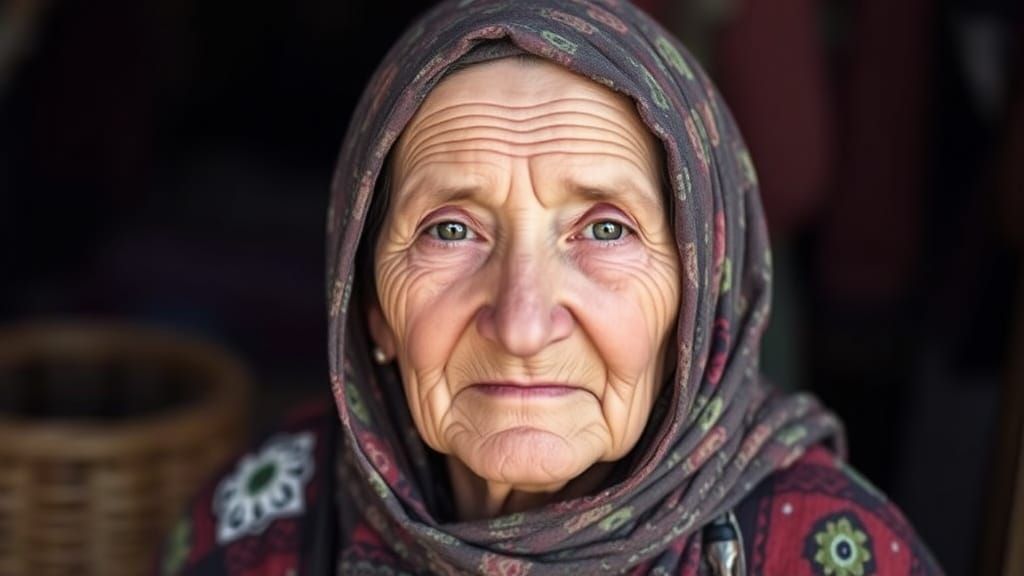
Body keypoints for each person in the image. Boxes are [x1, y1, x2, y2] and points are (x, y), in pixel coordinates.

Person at [159, 1, 943, 574]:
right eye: (451, 229)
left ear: (698, 307)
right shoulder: (261, 525)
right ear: (370, 307)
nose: (523, 323)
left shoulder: (830, 549)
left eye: (605, 230)